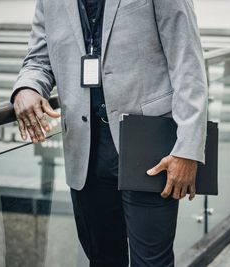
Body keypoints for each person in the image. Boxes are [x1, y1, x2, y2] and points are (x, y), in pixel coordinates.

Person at [11, 0, 208, 266]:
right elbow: (38, 60)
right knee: (103, 259)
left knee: (152, 262)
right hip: (85, 151)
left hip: (148, 148)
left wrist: (187, 149)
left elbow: (188, 63)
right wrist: (26, 88)